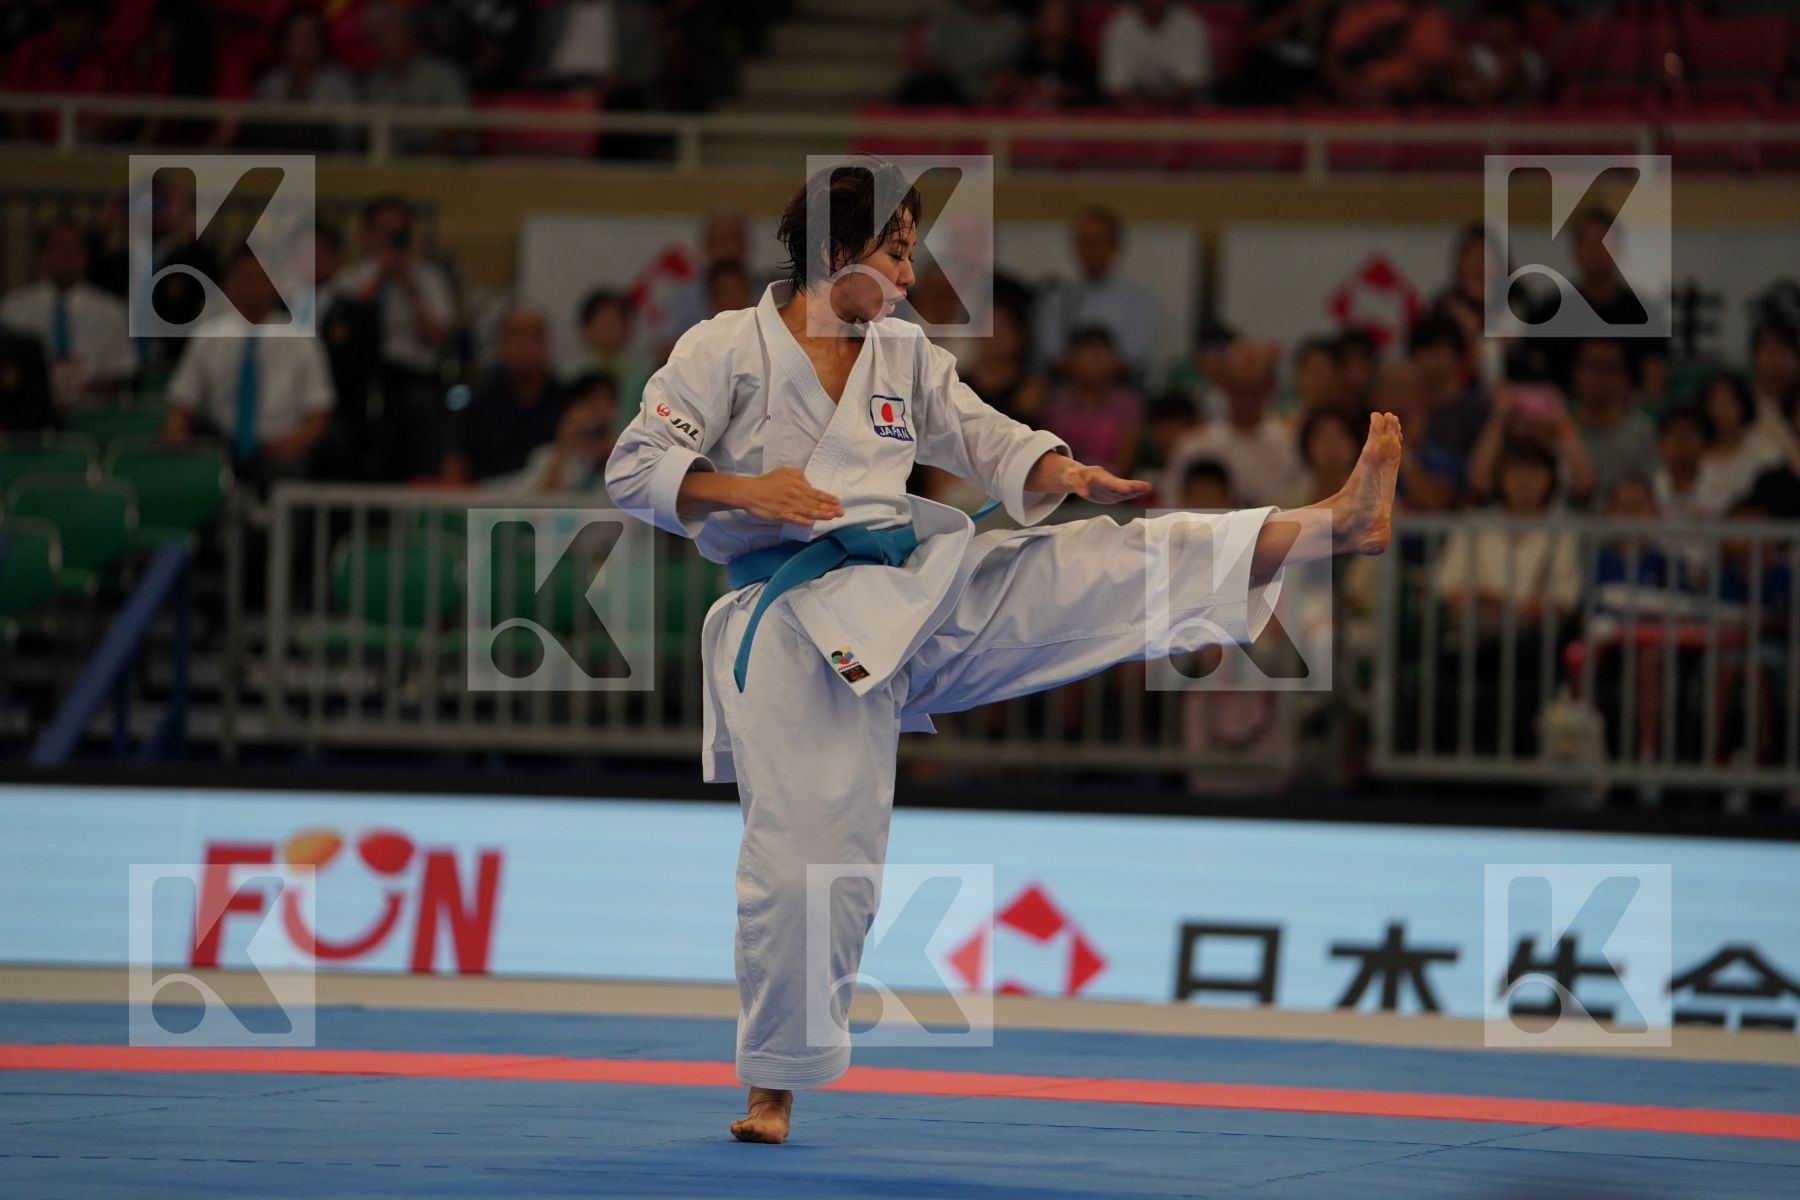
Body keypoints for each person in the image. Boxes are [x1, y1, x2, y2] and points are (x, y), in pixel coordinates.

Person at [603, 156, 1402, 1145]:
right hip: (789, 630)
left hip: (904, 593)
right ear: (836, 250)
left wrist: (1060, 466)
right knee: (810, 862)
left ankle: (1334, 521)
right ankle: (774, 1084)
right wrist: (744, 492)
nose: (906, 274)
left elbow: (983, 437)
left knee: (1101, 566)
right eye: (893, 252)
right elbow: (634, 467)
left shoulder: (902, 352)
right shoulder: (725, 348)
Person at [162, 247, 333, 485]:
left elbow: (318, 416)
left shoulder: (303, 339)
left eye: (260, 278)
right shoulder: (208, 335)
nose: (252, 287)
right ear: (231, 283)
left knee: (290, 468)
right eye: (243, 278)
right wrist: (176, 436)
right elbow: (182, 403)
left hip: (282, 447)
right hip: (221, 443)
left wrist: (285, 446)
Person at [0, 216, 136, 408]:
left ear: (85, 255)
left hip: (91, 412)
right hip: (26, 410)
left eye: (73, 249)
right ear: (42, 254)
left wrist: (79, 393)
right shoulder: (13, 307)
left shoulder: (111, 310)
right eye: (57, 248)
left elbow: (121, 371)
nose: (65, 256)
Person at [1162, 336, 1305, 509]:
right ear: (1224, 386)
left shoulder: (1291, 445)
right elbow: (1170, 507)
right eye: (1238, 389)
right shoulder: (1195, 446)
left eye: (1254, 390)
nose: (1246, 399)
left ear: (1270, 387)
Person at [442, 305, 566, 484]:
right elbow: (455, 461)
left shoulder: (564, 399)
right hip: (487, 504)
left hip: (547, 506)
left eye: (531, 336)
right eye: (515, 335)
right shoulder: (479, 399)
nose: (522, 345)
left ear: (546, 343)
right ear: (501, 343)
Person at [1032, 207, 1157, 378]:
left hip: (1118, 389)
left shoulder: (1138, 300)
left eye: (1098, 241)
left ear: (1115, 247)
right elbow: (1051, 353)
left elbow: (1134, 356)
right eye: (1084, 242)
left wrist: (1095, 372)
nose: (1090, 250)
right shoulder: (1057, 298)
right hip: (1066, 388)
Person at [363, 1, 470, 155]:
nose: (389, 42)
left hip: (444, 163)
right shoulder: (374, 82)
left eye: (394, 33)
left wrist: (429, 160)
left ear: (410, 35)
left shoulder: (442, 73)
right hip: (394, 164)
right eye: (381, 35)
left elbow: (456, 123)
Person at [1039, 326, 1143, 485]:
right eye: (1087, 355)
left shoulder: (1127, 405)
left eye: (1100, 356)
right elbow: (1051, 455)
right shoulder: (1056, 403)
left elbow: (1124, 464)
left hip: (1113, 490)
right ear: (1071, 361)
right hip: (1063, 489)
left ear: (1115, 361)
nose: (1094, 363)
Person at [250, 4, 359, 151]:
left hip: (326, 166)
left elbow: (348, 138)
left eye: (309, 35)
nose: (303, 43)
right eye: (296, 35)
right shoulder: (269, 85)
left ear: (320, 40)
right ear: (284, 40)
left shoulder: (339, 85)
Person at [1099, 0, 1211, 108]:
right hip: (1133, 105)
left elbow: (1191, 84)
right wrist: (1141, 107)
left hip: (1182, 105)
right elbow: (1116, 86)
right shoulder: (1119, 24)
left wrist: (1156, 105)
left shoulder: (1189, 23)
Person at [574, 288, 651, 432]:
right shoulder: (572, 375)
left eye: (614, 320)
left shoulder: (644, 375)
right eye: (602, 321)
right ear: (586, 328)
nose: (608, 327)